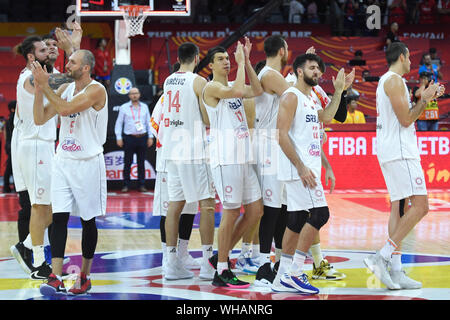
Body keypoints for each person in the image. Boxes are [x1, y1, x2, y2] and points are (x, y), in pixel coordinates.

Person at [364, 42, 445, 290]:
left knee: (399, 209)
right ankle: (383, 256)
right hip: (400, 152)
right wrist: (426, 100)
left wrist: (423, 97)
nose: (411, 62)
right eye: (409, 57)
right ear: (402, 56)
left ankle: (396, 270)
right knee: (421, 206)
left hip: (391, 150)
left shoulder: (387, 81)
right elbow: (407, 118)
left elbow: (404, 114)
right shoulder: (394, 80)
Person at [32, 49, 109, 295]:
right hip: (63, 160)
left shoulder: (96, 90)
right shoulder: (66, 89)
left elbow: (64, 110)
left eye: (73, 62)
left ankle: (84, 276)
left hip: (88, 162)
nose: (67, 65)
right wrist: (38, 91)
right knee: (59, 218)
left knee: (88, 220)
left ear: (86, 67)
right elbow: (40, 118)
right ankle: (55, 276)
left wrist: (46, 87)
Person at [272, 53, 346, 294]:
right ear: (299, 71)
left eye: (319, 69)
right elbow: (281, 134)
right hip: (299, 170)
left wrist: (338, 91)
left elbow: (326, 117)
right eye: (313, 68)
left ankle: (282, 275)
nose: (318, 72)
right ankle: (294, 272)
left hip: (307, 168)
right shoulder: (291, 96)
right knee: (320, 214)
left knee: (294, 221)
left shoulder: (310, 98)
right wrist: (301, 167)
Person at [203, 40, 263, 288]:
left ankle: (222, 253)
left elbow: (257, 90)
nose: (226, 61)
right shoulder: (212, 87)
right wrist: (240, 64)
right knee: (230, 211)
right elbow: (239, 92)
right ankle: (222, 269)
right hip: (225, 158)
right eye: (221, 59)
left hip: (243, 156)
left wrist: (247, 62)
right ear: (210, 65)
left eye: (228, 58)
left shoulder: (231, 83)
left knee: (255, 210)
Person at [159, 42, 216, 281]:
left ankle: (171, 263)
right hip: (193, 149)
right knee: (208, 205)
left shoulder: (168, 80)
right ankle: (207, 264)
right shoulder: (199, 82)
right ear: (196, 57)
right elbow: (206, 117)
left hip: (172, 149)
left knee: (174, 205)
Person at [114, 87, 153, 192]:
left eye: (136, 93)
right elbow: (119, 123)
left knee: (141, 163)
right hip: (129, 137)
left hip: (142, 137)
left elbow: (149, 123)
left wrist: (150, 136)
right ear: (129, 96)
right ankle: (126, 185)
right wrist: (119, 137)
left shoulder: (144, 107)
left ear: (139, 94)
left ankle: (142, 185)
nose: (134, 95)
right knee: (128, 162)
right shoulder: (124, 107)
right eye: (132, 93)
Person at [3, 101, 15, 193]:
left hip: (9, 144)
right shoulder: (14, 118)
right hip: (13, 145)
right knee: (12, 166)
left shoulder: (7, 119)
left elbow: (5, 134)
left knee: (10, 166)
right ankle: (8, 186)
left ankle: (7, 186)